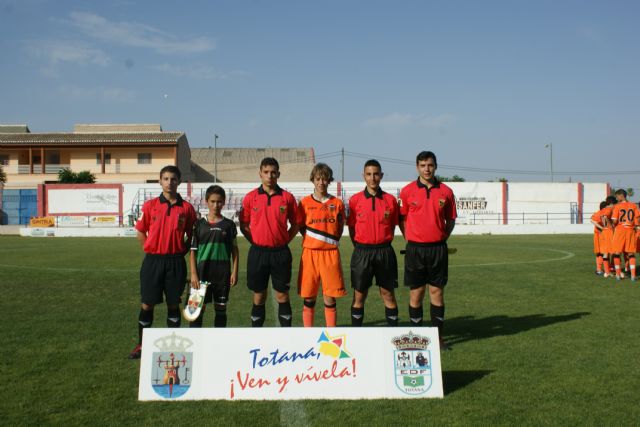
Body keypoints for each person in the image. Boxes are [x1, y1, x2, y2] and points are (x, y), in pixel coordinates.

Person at [129, 165, 197, 359]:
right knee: (147, 304)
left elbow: (192, 236)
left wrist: (182, 251)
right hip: (153, 262)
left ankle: (172, 347)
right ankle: (141, 345)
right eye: (165, 179)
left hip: (176, 262)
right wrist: (149, 249)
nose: (169, 182)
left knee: (174, 304)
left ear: (179, 182)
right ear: (160, 181)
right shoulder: (150, 206)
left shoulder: (187, 208)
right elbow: (141, 230)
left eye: (173, 179)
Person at [399, 151, 457, 350]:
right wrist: (412, 238)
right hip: (415, 249)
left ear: (436, 166)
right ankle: (416, 338)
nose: (427, 169)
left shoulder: (446, 192)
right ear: (417, 167)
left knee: (437, 293)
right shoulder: (407, 191)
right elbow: (402, 219)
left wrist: (441, 237)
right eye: (423, 165)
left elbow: (451, 220)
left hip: (437, 249)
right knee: (416, 294)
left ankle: (438, 339)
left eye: (430, 165)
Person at [239, 157, 299, 327]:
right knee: (259, 295)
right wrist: (255, 241)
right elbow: (244, 225)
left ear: (278, 174)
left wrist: (285, 239)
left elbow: (295, 224)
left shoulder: (287, 198)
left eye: (273, 172)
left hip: (280, 253)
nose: (270, 176)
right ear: (260, 174)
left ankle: (285, 333)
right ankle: (257, 333)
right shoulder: (251, 197)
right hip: (258, 253)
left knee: (282, 295)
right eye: (266, 172)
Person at [347, 159, 400, 327]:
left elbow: (392, 226)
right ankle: (356, 334)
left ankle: (393, 334)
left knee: (388, 294)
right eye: (369, 174)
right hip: (362, 252)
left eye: (376, 174)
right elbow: (352, 227)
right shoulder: (355, 200)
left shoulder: (390, 200)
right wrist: (360, 246)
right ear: (364, 176)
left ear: (381, 175)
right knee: (359, 296)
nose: (372, 178)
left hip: (384, 252)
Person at [296, 163, 347, 327]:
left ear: (329, 181)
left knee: (329, 296)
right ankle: (308, 333)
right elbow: (301, 227)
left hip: (330, 254)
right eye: (318, 179)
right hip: (310, 254)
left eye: (325, 179)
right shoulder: (304, 203)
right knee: (309, 296)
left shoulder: (337, 203)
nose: (321, 182)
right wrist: (313, 240)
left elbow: (339, 228)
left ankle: (331, 334)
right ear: (313, 180)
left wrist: (328, 242)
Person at [188, 185, 239, 327]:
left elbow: (235, 250)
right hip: (202, 273)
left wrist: (234, 271)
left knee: (221, 309)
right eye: (212, 201)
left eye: (219, 201)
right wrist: (193, 274)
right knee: (196, 310)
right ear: (206, 201)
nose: (216, 205)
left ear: (224, 202)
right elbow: (193, 250)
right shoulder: (198, 224)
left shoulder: (229, 225)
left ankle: (218, 344)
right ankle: (196, 343)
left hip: (222, 274)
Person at [610, 189, 640, 281]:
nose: (616, 198)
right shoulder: (634, 205)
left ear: (621, 195)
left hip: (620, 231)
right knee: (631, 253)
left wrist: (612, 225)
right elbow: (637, 220)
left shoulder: (617, 206)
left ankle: (618, 275)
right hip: (630, 231)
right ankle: (633, 276)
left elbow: (614, 221)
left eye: (617, 196)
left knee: (617, 252)